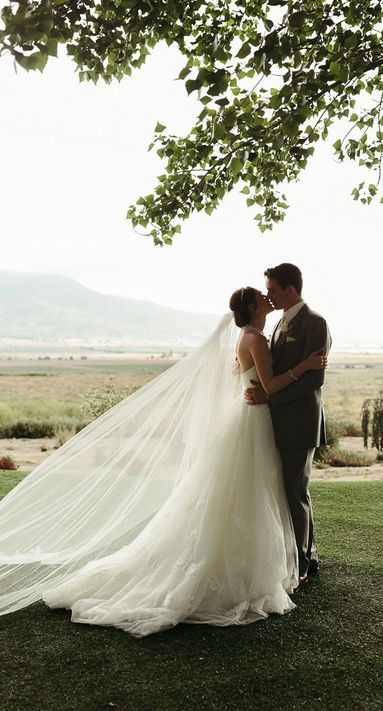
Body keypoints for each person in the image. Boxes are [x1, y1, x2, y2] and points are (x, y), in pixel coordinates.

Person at [0, 287, 325, 637]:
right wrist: (304, 366)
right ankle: (251, 568)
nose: (267, 298)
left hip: (251, 419)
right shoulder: (256, 340)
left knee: (249, 490)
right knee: (251, 489)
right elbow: (271, 385)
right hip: (253, 419)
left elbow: (244, 374)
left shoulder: (251, 337)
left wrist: (253, 379)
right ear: (251, 306)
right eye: (262, 296)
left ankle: (266, 562)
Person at [245, 264, 331, 590]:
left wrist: (268, 400)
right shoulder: (280, 322)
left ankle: (303, 565)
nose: (269, 295)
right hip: (278, 422)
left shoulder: (316, 323)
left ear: (291, 289)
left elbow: (315, 378)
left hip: (301, 421)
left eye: (273, 290)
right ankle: (309, 554)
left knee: (296, 492)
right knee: (290, 491)